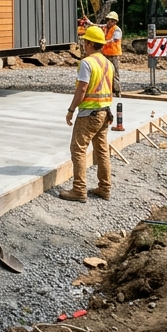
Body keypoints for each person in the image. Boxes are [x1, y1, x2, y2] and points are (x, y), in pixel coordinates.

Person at [60, 25, 114, 202]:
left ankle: (79, 190)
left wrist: (71, 110)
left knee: (78, 149)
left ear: (90, 43)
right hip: (105, 113)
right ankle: (104, 188)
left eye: (85, 41)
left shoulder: (87, 63)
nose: (83, 44)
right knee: (102, 150)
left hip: (89, 113)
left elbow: (82, 89)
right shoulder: (108, 63)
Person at [101, 11, 123, 97]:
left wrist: (103, 42)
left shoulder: (117, 30)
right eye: (109, 20)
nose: (110, 22)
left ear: (115, 22)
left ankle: (117, 91)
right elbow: (97, 25)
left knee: (115, 73)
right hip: (105, 54)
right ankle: (107, 90)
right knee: (105, 72)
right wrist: (88, 22)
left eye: (112, 21)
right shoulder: (105, 27)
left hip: (113, 54)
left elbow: (114, 39)